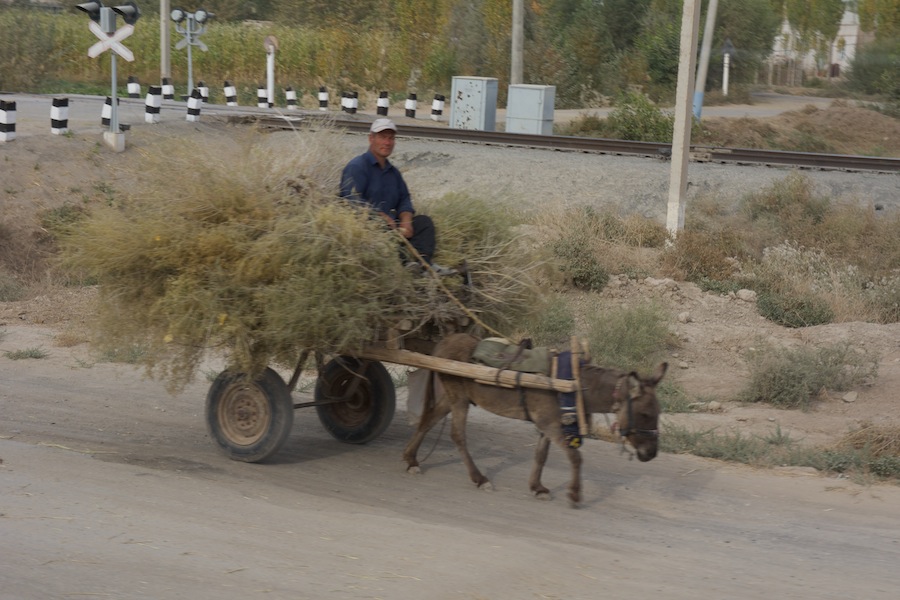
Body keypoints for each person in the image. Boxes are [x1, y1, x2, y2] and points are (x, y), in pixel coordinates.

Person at [340, 118, 457, 276]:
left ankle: (421, 264)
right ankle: (409, 265)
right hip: (368, 228)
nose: (387, 142)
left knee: (424, 223)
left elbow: (404, 199)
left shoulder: (393, 172)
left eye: (391, 138)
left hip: (393, 228)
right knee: (382, 228)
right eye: (382, 137)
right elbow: (350, 199)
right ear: (371, 139)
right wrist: (380, 216)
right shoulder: (357, 166)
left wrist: (406, 221)